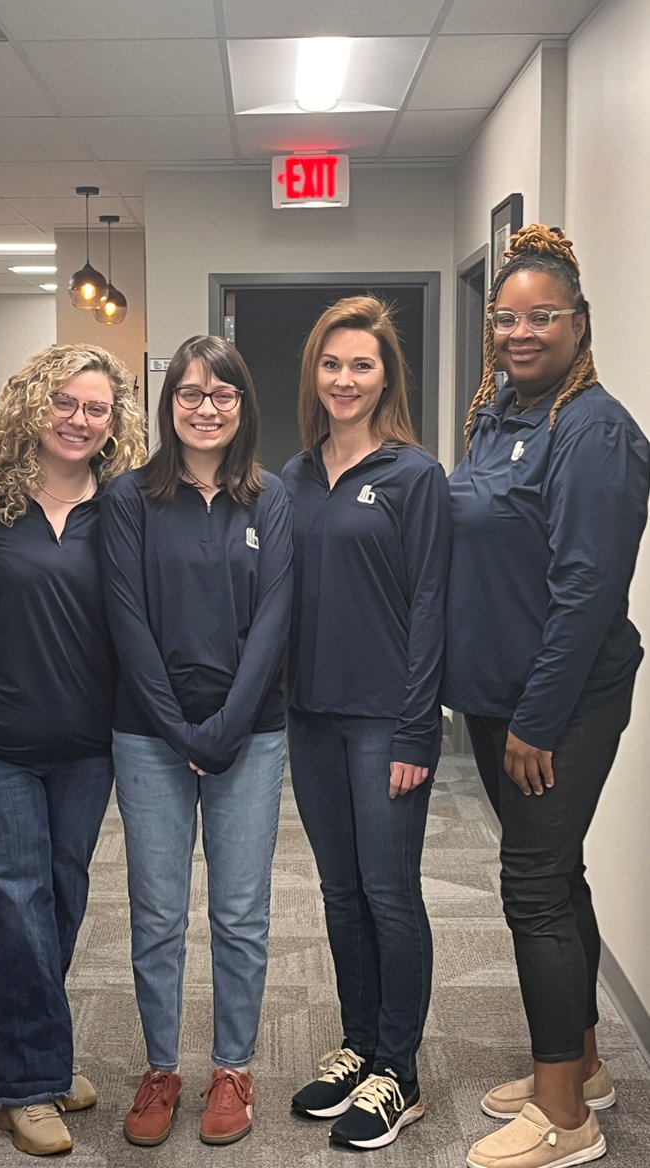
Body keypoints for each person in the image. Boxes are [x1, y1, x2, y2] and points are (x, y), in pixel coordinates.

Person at [443, 225, 649, 1168]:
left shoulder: (596, 431)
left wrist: (536, 718)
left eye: (542, 317)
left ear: (580, 324)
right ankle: (585, 1065)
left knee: (530, 887)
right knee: (556, 875)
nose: (520, 331)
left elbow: (586, 591)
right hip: (498, 697)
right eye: (506, 316)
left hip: (558, 703)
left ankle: (568, 1118)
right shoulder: (499, 411)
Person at [0, 344, 145, 1156]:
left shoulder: (122, 507)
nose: (79, 420)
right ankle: (24, 1082)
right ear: (33, 404)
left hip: (86, 746)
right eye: (65, 402)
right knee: (10, 904)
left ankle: (41, 1056)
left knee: (59, 898)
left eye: (97, 409)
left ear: (113, 422)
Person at [100, 335, 292, 1148]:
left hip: (251, 735)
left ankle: (234, 1067)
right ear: (168, 403)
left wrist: (226, 728)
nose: (205, 408)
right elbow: (127, 620)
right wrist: (178, 727)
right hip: (149, 734)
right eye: (189, 393)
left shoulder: (270, 498)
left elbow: (278, 616)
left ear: (243, 406)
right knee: (156, 912)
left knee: (242, 912)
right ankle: (160, 1068)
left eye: (222, 394)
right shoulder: (130, 498)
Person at [283, 296, 451, 1151]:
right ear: (314, 372)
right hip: (310, 719)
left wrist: (420, 730)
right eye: (332, 364)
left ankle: (401, 1072)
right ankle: (357, 1044)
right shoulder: (294, 475)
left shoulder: (415, 475)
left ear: (386, 376)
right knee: (340, 893)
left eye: (363, 365)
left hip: (387, 720)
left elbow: (430, 606)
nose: (345, 379)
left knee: (390, 895)